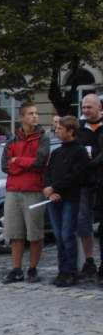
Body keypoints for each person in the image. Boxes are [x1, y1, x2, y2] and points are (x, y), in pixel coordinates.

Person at [1, 104, 50, 284]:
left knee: (35, 232)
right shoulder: (12, 140)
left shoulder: (43, 138)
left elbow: (40, 162)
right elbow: (5, 165)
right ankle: (16, 269)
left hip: (34, 190)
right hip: (14, 190)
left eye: (36, 113)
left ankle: (32, 268)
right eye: (31, 114)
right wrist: (25, 163)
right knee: (15, 232)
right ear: (22, 117)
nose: (35, 117)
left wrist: (18, 161)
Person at [44, 116, 90, 287]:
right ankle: (62, 270)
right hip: (54, 198)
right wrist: (48, 189)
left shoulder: (79, 152)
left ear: (71, 131)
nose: (57, 131)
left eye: (60, 129)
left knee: (67, 234)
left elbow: (76, 175)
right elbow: (47, 173)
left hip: (69, 197)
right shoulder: (56, 152)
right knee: (59, 236)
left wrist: (55, 187)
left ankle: (71, 271)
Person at [77, 93, 103, 280]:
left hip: (101, 182)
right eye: (83, 107)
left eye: (89, 107)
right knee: (83, 223)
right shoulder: (79, 129)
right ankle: (89, 261)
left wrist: (92, 163)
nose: (85, 111)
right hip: (84, 183)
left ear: (99, 108)